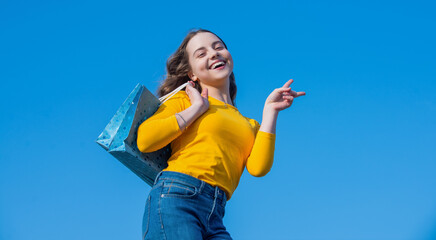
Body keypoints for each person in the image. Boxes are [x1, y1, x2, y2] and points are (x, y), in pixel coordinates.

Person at [136, 29, 305, 240]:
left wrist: (270, 111)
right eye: (201, 53)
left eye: (218, 47)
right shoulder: (185, 101)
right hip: (176, 196)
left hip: (216, 213)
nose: (214, 54)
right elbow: (145, 140)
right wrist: (196, 108)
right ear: (192, 74)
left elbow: (258, 168)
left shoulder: (249, 125)